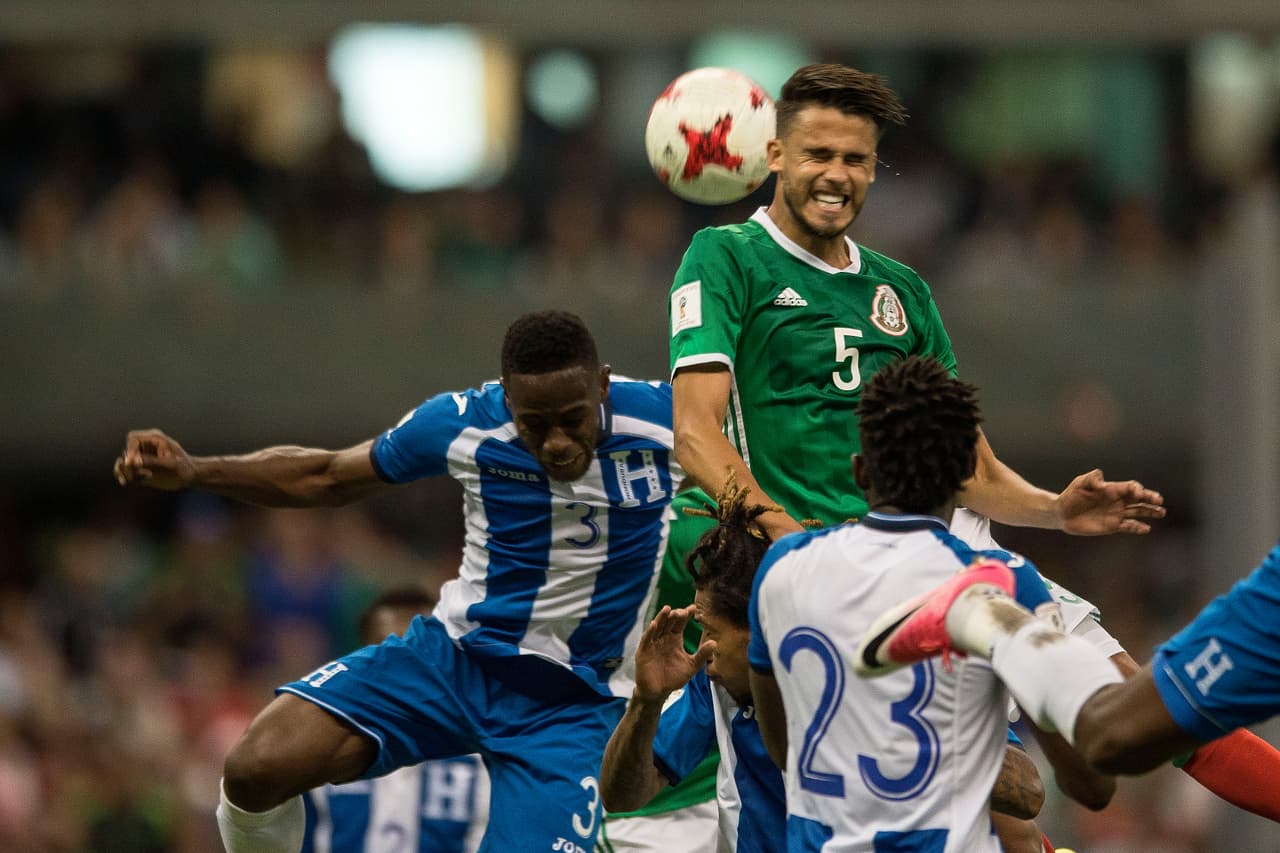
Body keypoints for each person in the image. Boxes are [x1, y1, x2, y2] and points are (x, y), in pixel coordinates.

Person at [113, 309, 684, 853]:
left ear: (602, 385)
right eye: (534, 424)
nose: (556, 442)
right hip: (456, 663)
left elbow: (740, 466)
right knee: (255, 767)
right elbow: (327, 474)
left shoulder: (670, 422)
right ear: (507, 399)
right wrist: (195, 471)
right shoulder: (463, 422)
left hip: (575, 706)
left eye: (572, 419)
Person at [667, 62, 1165, 541]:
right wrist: (789, 541)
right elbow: (694, 433)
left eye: (855, 160)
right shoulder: (726, 256)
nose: (837, 175)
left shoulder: (902, 289)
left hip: (894, 560)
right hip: (783, 562)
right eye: (818, 155)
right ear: (775, 155)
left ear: (873, 169)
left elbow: (969, 469)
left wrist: (1054, 511)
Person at [600, 468, 1046, 853]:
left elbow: (1027, 793)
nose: (703, 648)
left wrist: (896, 738)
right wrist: (645, 701)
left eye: (710, 630)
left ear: (764, 630)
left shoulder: (886, 667)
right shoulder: (714, 684)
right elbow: (622, 797)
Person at [747, 355, 1068, 851]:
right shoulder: (1004, 581)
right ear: (963, 480)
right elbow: (1066, 784)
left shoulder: (781, 568)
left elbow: (784, 747)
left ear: (859, 471)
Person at [858, 520, 1280, 791]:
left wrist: (1053, 509)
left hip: (967, 567)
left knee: (1102, 744)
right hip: (910, 567)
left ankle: (999, 631)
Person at [302, 586, 488, 853]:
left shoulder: (486, 754)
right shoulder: (321, 750)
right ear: (362, 660)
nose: (404, 670)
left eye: (419, 651)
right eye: (388, 651)